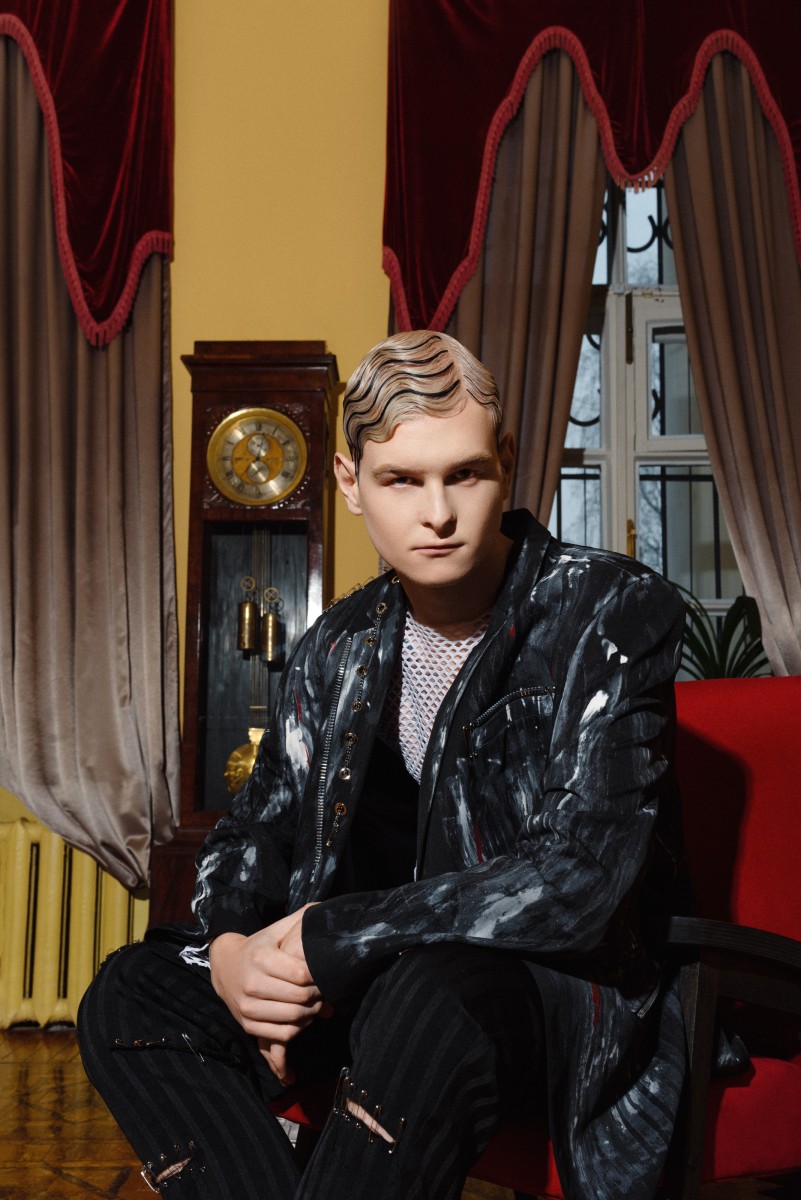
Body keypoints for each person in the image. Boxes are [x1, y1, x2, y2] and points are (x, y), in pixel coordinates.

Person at [78, 330, 689, 1200]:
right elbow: (253, 832)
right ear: (348, 481)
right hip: (367, 985)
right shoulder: (335, 644)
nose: (436, 513)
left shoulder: (612, 609)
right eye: (401, 480)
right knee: (130, 993)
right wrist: (231, 954)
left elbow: (579, 878)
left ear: (507, 462)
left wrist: (337, 936)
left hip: (546, 998)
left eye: (463, 474)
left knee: (426, 996)